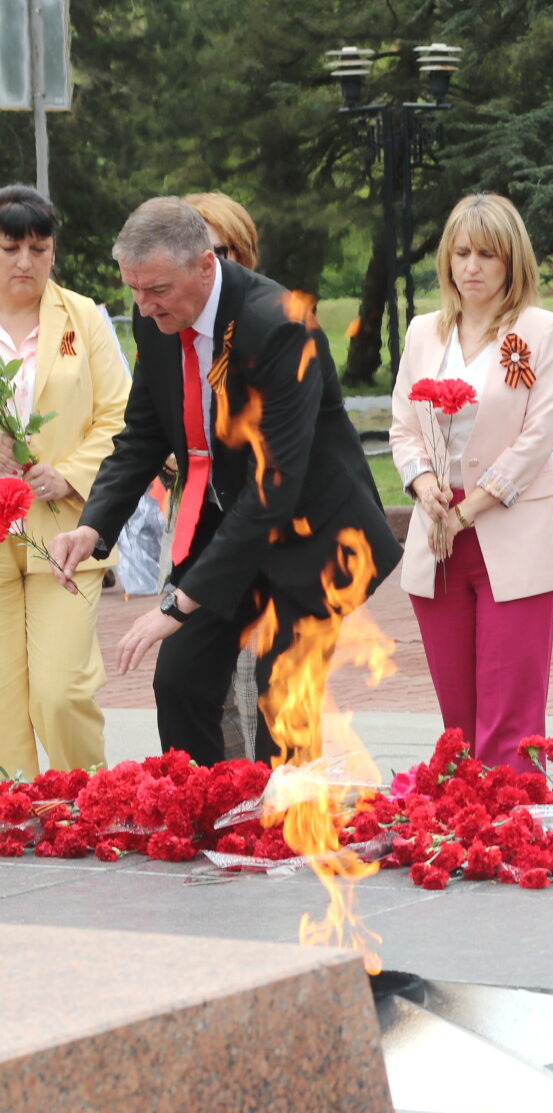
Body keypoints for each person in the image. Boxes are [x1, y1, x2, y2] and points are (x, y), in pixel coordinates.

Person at [47, 197, 402, 765]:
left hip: (312, 532)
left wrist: (177, 603)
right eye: (134, 290)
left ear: (205, 265)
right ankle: (210, 809)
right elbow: (141, 436)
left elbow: (273, 487)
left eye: (157, 289)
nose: (144, 306)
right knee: (180, 681)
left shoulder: (281, 324)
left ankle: (285, 818)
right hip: (230, 522)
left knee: (280, 699)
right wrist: (93, 527)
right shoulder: (156, 320)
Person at [390, 193, 553, 771]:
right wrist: (424, 487)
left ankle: (512, 816)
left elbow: (538, 437)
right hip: (437, 532)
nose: (472, 267)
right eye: (462, 252)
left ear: (512, 261)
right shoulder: (423, 332)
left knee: (510, 719)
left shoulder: (540, 330)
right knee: (458, 724)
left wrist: (470, 510)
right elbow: (403, 429)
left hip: (508, 530)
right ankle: (464, 816)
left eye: (487, 255)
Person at [0, 186, 128, 775]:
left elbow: (121, 418)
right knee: (5, 703)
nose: (24, 262)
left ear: (54, 251)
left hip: (66, 532)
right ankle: (18, 808)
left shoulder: (84, 318)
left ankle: (88, 797)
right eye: (9, 248)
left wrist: (70, 474)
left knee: (60, 691)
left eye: (38, 247)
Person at [184, 190, 266, 760]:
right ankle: (224, 788)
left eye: (217, 252)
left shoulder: (271, 322)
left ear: (242, 254)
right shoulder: (168, 324)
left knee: (260, 679)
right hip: (197, 516)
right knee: (199, 681)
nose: (203, 266)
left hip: (264, 519)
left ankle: (270, 793)